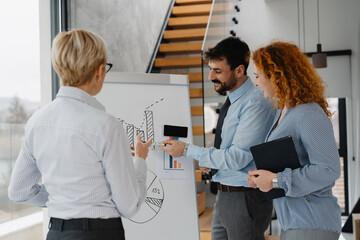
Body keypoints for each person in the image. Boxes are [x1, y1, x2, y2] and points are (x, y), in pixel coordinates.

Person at [8, 29, 152, 240]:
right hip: (99, 235)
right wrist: (140, 161)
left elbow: (18, 191)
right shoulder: (106, 126)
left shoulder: (36, 122)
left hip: (56, 233)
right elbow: (129, 206)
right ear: (99, 71)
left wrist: (65, 197)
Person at [160, 37, 275, 240]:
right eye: (211, 69)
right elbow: (229, 150)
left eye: (218, 71)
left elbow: (237, 157)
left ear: (239, 71)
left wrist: (187, 150)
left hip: (244, 197)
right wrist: (212, 164)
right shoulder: (233, 100)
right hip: (225, 195)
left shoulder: (255, 104)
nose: (211, 76)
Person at [248, 41, 341, 240]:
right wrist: (262, 177)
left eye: (257, 76)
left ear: (276, 76)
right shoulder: (284, 112)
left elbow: (329, 169)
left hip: (313, 222)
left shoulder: (308, 113)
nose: (255, 83)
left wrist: (274, 180)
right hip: (294, 223)